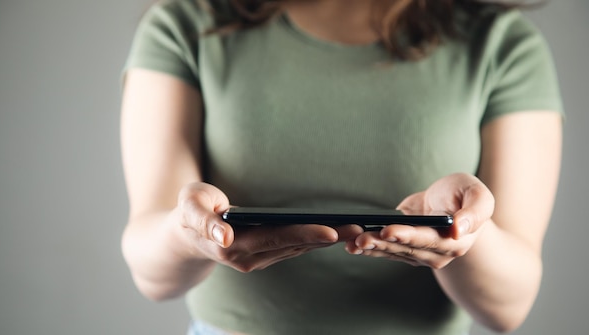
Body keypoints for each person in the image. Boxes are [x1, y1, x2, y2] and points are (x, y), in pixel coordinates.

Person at [119, 0, 563, 334]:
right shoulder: (187, 23)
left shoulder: (502, 43)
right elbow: (151, 272)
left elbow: (509, 305)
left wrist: (463, 232)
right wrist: (192, 233)